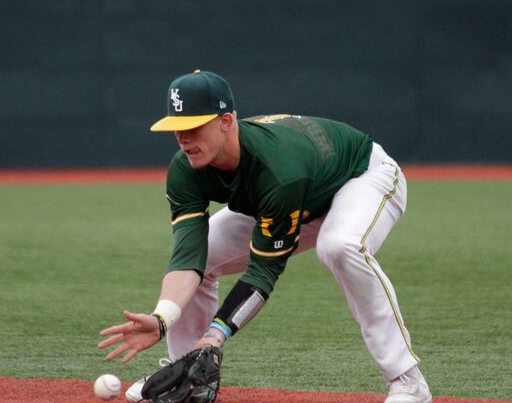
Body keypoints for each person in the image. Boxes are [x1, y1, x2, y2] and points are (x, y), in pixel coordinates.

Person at [98, 70, 432, 403]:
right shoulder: (185, 169)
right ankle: (186, 373)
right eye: (176, 128)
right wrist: (162, 318)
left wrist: (215, 336)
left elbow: (262, 273)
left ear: (226, 121)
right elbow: (188, 255)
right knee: (208, 250)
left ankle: (407, 380)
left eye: (193, 127)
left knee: (340, 245)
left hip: (361, 177)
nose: (183, 138)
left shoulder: (278, 169)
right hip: (288, 198)